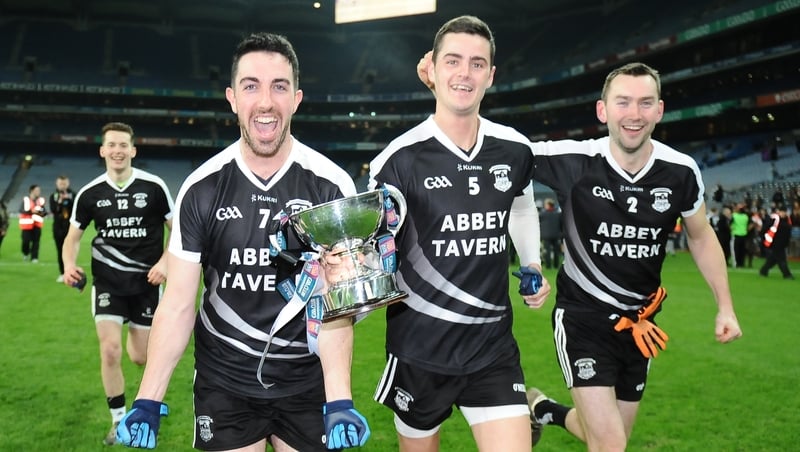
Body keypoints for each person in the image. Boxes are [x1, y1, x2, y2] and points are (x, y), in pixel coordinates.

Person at [115, 33, 370, 451]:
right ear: (233, 97)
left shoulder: (331, 184)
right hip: (224, 384)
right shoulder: (201, 187)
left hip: (307, 384)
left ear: (297, 98)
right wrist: (147, 398)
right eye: (252, 86)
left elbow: (336, 308)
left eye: (279, 86)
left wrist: (339, 398)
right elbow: (178, 303)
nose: (266, 102)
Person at [523, 62, 743, 451]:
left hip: (641, 324)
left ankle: (542, 410)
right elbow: (499, 154)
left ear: (659, 110)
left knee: (610, 437)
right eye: (623, 102)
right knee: (610, 444)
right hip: (582, 320)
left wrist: (725, 306)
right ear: (602, 110)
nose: (634, 114)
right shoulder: (572, 160)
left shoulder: (681, 171)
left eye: (645, 103)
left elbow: (702, 236)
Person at [370, 16, 551, 452]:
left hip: (491, 349)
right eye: (453, 61)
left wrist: (532, 262)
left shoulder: (514, 149)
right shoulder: (396, 161)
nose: (464, 73)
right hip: (419, 352)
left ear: (491, 75)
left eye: (476, 63)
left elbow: (523, 207)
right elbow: (376, 253)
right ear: (430, 68)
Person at [61, 122, 174, 446]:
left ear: (133, 150)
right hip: (107, 283)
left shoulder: (153, 187)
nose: (117, 150)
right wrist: (69, 265)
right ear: (102, 150)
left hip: (146, 283)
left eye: (123, 145)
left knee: (140, 356)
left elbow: (178, 229)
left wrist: (165, 262)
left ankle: (144, 403)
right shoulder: (90, 193)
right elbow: (73, 238)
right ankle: (119, 419)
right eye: (111, 144)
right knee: (110, 351)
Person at [50, 174, 75, 282]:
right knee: (60, 250)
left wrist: (69, 200)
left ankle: (72, 272)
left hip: (70, 227)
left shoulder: (73, 195)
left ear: (68, 183)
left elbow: (76, 209)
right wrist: (60, 202)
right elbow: (53, 210)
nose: (62, 185)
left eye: (64, 183)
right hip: (58, 227)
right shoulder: (54, 196)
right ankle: (63, 273)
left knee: (71, 250)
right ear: (57, 184)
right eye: (60, 183)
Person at [759, 204, 794, 279]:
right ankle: (787, 275)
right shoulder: (775, 219)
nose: (783, 213)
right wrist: (763, 237)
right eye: (782, 211)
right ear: (779, 211)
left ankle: (763, 271)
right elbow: (765, 228)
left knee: (773, 259)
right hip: (776, 243)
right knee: (782, 260)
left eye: (784, 212)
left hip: (781, 244)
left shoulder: (787, 220)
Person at [20, 184, 46, 262]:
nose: (38, 192)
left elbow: (44, 212)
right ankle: (26, 253)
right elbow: (21, 210)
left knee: (36, 241)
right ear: (32, 191)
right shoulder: (26, 200)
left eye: (39, 190)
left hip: (37, 224)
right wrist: (31, 211)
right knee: (26, 241)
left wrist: (40, 213)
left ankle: (34, 257)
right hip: (27, 224)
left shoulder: (40, 200)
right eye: (37, 190)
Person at [540, 198, 563, 268]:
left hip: (546, 236)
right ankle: (556, 265)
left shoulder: (543, 214)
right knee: (556, 251)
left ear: (548, 205)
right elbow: (561, 224)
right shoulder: (558, 214)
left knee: (547, 251)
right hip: (556, 235)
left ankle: (548, 265)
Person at [730, 203, 750, 268]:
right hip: (744, 234)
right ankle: (742, 263)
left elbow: (730, 224)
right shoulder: (746, 216)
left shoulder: (734, 215)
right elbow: (750, 225)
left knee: (736, 250)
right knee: (742, 251)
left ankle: (736, 263)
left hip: (736, 234)